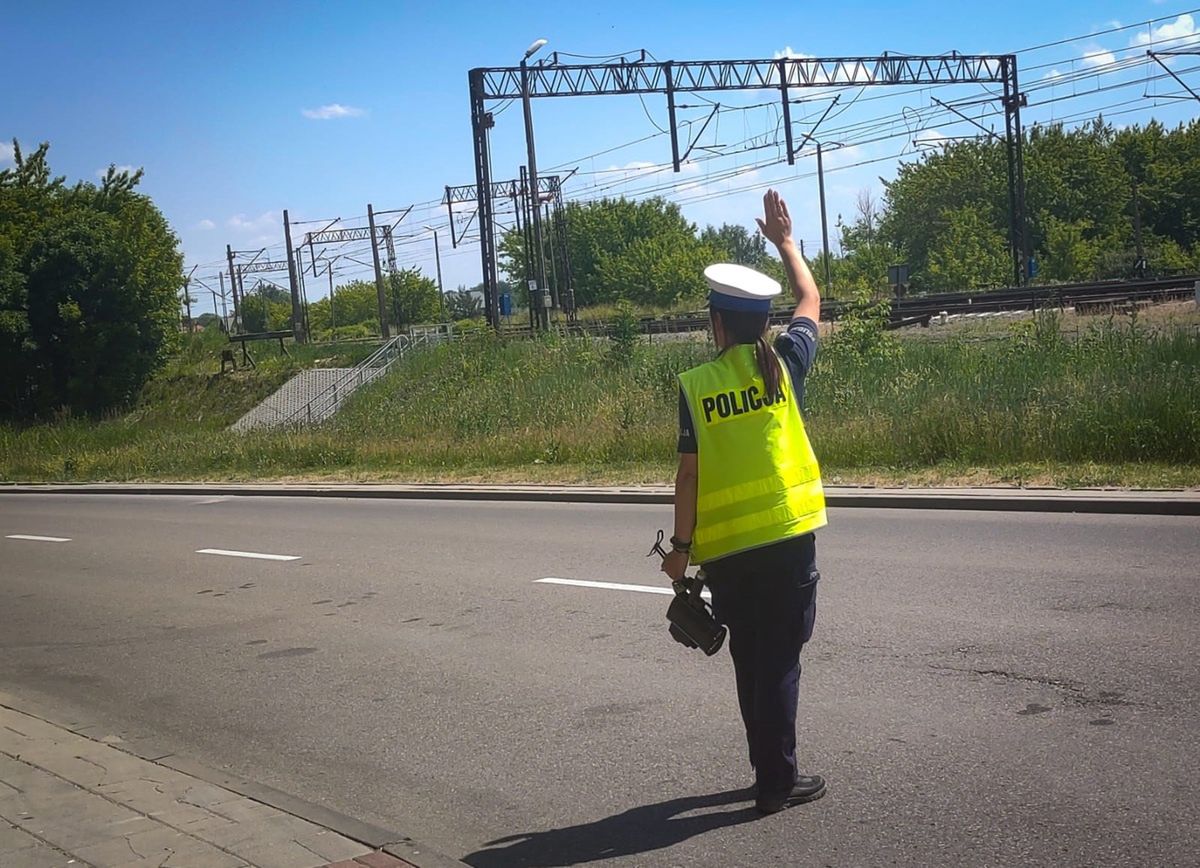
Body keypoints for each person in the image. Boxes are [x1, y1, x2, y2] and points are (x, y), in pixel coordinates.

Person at [661, 189, 827, 815]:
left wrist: (680, 553)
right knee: (780, 661)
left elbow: (687, 478)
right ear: (762, 322)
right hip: (787, 541)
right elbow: (810, 301)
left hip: (727, 552)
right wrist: (785, 242)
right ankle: (775, 785)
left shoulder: (697, 387)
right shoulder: (785, 364)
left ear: (717, 324)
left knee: (750, 661)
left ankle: (768, 774)